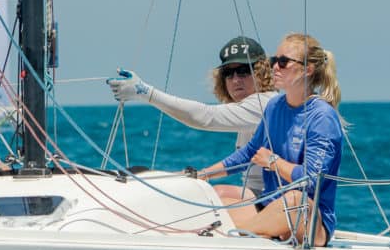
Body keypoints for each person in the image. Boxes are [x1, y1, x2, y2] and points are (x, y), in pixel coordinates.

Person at [197, 33, 344, 246]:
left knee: (294, 200)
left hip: (310, 221)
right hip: (270, 207)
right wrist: (203, 175)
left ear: (307, 69)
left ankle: (235, 234)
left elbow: (312, 180)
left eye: (283, 62)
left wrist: (273, 162)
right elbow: (249, 153)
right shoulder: (274, 107)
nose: (275, 67)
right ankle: (247, 233)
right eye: (274, 61)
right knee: (218, 194)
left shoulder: (322, 116)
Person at [108, 36, 275, 199]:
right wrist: (201, 174)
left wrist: (145, 92)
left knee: (210, 196)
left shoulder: (264, 104)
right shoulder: (246, 109)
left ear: (261, 73)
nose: (236, 79)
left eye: (244, 71)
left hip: (272, 198)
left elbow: (206, 117)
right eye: (229, 73)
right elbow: (242, 160)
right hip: (256, 194)